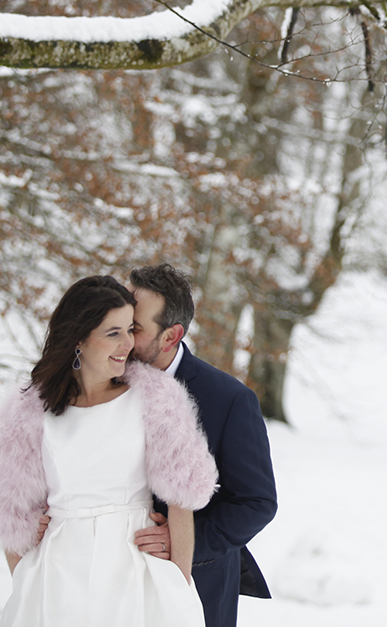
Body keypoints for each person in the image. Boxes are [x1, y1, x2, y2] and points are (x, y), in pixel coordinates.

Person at [0, 275, 218, 627]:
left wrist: (177, 584)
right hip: (57, 575)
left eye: (130, 330)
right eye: (113, 333)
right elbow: (4, 505)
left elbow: (183, 497)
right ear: (79, 338)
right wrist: (28, 580)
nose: (127, 344)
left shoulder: (155, 398)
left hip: (136, 570)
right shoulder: (29, 409)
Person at [128, 264, 278, 627]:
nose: (121, 336)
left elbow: (256, 503)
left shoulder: (228, 399)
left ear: (170, 336)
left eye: (134, 328)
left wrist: (182, 540)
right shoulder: (100, 384)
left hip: (197, 588)